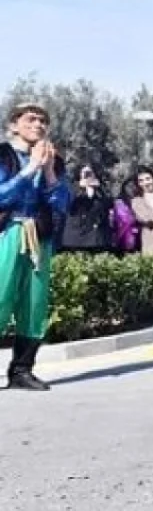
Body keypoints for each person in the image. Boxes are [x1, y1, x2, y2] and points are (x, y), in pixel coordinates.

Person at [0, 103, 71, 390]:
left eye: (43, 120)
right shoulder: (3, 156)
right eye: (31, 119)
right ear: (14, 124)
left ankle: (21, 370)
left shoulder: (53, 160)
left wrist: (50, 173)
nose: (38, 124)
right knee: (0, 296)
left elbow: (63, 204)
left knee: (35, 303)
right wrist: (30, 169)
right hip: (8, 231)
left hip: (40, 235)